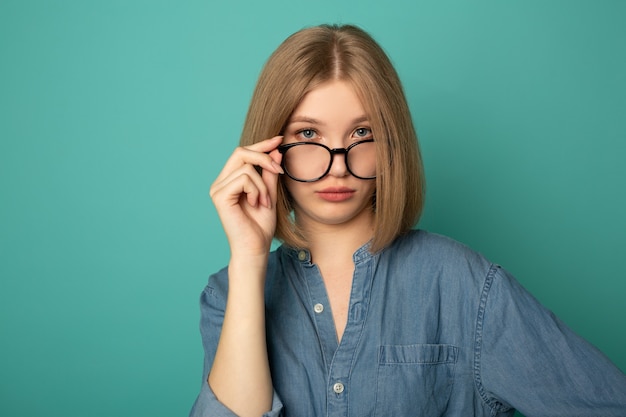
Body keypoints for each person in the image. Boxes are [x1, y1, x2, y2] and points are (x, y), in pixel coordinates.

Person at [190, 24, 626, 417]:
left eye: (362, 134)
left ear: (391, 144)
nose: (338, 166)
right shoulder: (229, 296)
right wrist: (249, 258)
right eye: (308, 135)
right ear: (270, 147)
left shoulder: (464, 285)